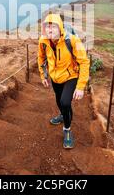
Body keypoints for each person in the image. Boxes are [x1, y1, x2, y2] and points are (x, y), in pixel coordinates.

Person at [38, 13, 90, 149]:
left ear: (60, 27)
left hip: (71, 76)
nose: (50, 30)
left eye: (53, 27)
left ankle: (67, 130)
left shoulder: (72, 41)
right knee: (58, 100)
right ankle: (63, 115)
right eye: (47, 27)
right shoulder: (43, 42)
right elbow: (41, 59)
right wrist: (43, 76)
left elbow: (84, 62)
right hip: (55, 77)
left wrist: (80, 87)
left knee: (65, 102)